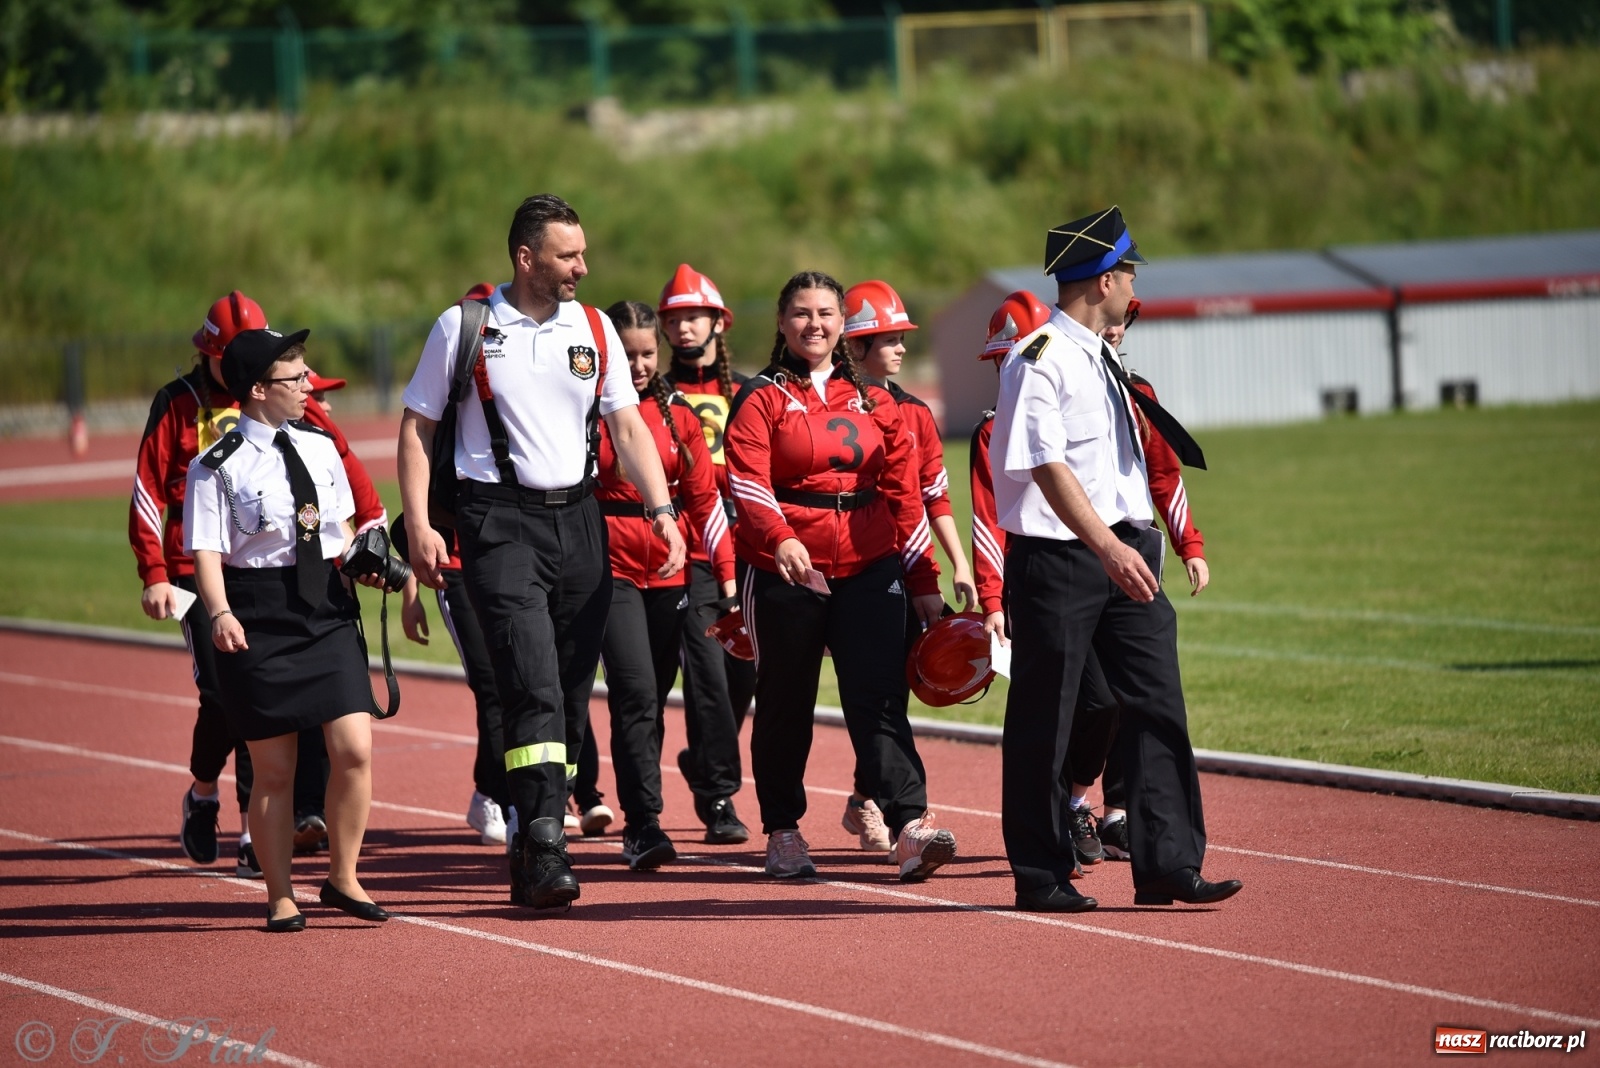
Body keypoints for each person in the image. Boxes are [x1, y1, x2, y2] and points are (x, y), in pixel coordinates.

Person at [396, 194, 686, 912]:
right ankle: (545, 840)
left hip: (581, 522)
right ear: (526, 258)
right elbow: (415, 429)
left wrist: (661, 509)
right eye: (568, 256)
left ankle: (534, 830)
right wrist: (421, 526)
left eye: (583, 253)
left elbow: (626, 424)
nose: (583, 268)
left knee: (567, 689)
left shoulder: (593, 328)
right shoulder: (464, 326)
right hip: (500, 523)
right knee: (532, 684)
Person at [991, 206, 1240, 913]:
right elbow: (1046, 465)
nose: (1134, 286)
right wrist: (1105, 546)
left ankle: (1167, 861)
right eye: (1129, 272)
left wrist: (1136, 544)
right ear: (1104, 280)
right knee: (1049, 717)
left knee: (1157, 701)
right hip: (1064, 557)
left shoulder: (1102, 352)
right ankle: (1040, 873)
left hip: (1121, 551)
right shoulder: (1035, 357)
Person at [131, 291, 384, 879]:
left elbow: (342, 478)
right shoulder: (179, 406)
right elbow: (147, 487)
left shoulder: (301, 414)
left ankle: (261, 830)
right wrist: (155, 573)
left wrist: (374, 544)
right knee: (224, 695)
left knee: (301, 717)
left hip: (303, 580)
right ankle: (204, 791)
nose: (303, 386)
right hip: (202, 572)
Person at [724, 270, 956, 882]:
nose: (814, 324)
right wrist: (782, 539)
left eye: (827, 313)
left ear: (842, 323)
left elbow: (905, 495)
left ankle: (909, 826)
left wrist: (925, 580)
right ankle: (783, 829)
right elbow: (745, 481)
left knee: (879, 698)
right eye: (801, 313)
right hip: (784, 572)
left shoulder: (878, 402)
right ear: (781, 322)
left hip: (870, 566)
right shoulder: (761, 396)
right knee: (786, 700)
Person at [184, 328, 387, 932]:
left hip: (326, 606)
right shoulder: (214, 466)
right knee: (273, 770)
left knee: (354, 748)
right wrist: (219, 613)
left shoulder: (321, 445)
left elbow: (342, 528)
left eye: (305, 374)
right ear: (255, 389)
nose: (307, 385)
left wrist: (370, 565)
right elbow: (207, 554)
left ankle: (343, 878)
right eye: (294, 378)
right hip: (257, 610)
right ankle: (279, 893)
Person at [596, 300, 737, 869]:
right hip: (610, 570)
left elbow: (705, 500)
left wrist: (726, 576)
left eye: (646, 353)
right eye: (626, 354)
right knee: (634, 694)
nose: (637, 364)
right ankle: (643, 824)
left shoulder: (680, 415)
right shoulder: (589, 415)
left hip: (676, 569)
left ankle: (710, 796)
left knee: (672, 691)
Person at [838, 278, 977, 852]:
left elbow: (935, 497)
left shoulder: (917, 414)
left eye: (900, 338)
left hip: (907, 564)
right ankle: (860, 802)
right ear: (857, 348)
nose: (899, 349)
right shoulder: (832, 406)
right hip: (848, 566)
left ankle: (868, 798)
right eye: (888, 340)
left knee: (899, 684)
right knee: (871, 689)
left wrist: (959, 563)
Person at [657, 264, 754, 844]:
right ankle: (719, 797)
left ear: (718, 321)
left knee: (745, 673)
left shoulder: (747, 391)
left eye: (693, 315)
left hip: (749, 551)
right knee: (708, 675)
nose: (684, 327)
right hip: (690, 552)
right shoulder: (653, 395)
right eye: (673, 318)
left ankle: (704, 758)